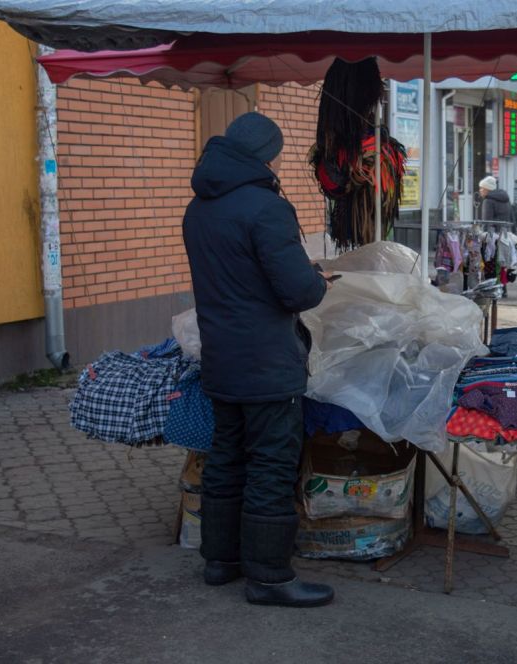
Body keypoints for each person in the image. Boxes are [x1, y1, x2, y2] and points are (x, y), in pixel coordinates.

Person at [182, 112, 335, 608]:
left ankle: (219, 561)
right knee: (271, 463)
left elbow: (235, 278)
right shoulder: (266, 208)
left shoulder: (198, 207)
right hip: (267, 361)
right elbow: (296, 291)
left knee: (226, 457)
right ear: (267, 154)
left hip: (221, 356)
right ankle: (268, 577)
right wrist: (316, 281)